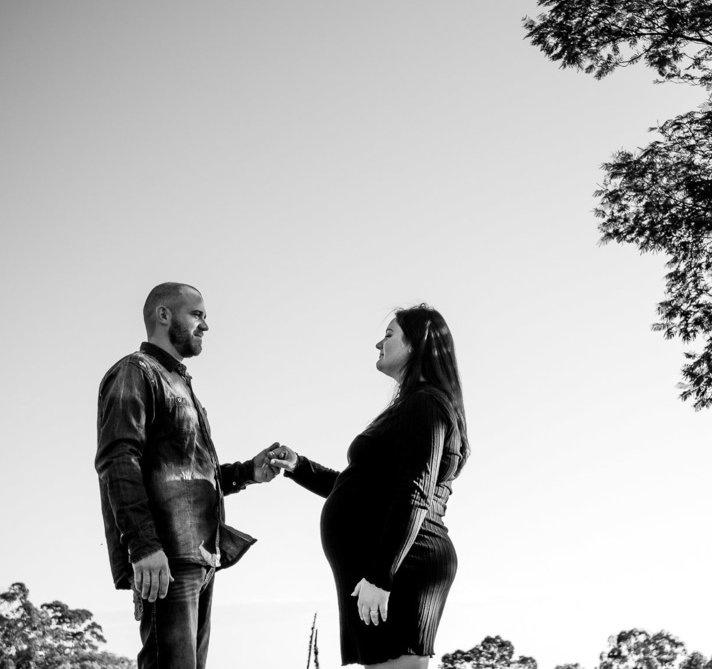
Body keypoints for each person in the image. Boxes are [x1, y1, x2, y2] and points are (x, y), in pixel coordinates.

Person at [271, 304, 470, 669]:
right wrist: (298, 467)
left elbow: (415, 491)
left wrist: (381, 576)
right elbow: (361, 489)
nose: (379, 343)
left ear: (417, 344)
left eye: (389, 334)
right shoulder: (414, 405)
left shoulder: (425, 405)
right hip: (386, 564)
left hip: (400, 565)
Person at [95, 282, 282, 669]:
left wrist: (251, 471)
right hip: (166, 555)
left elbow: (191, 471)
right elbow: (118, 460)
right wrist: (144, 547)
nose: (206, 326)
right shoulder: (135, 372)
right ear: (164, 315)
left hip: (200, 553)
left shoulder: (183, 384)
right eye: (197, 315)